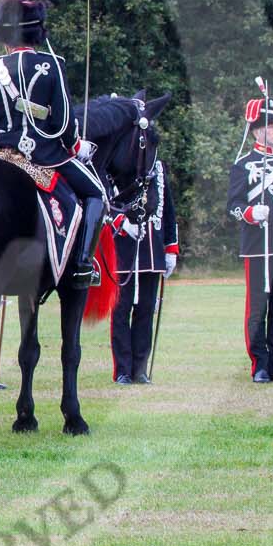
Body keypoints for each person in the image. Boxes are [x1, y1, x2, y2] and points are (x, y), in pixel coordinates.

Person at [0, 0, 106, 287]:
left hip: (0, 150)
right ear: (37, 33)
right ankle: (82, 265)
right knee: (97, 194)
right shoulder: (51, 65)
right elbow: (63, 123)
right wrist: (75, 146)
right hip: (44, 153)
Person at [228, 82, 273, 383]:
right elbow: (233, 205)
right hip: (259, 246)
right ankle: (259, 364)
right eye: (270, 127)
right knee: (258, 309)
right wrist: (249, 213)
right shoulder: (243, 165)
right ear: (257, 131)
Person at [107, 148, 177, 384]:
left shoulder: (158, 166)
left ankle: (140, 368)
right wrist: (121, 222)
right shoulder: (114, 160)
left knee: (146, 311)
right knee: (121, 311)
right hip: (123, 249)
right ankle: (123, 370)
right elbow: (104, 197)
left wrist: (170, 249)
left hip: (152, 250)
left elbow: (168, 209)